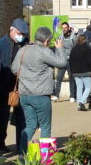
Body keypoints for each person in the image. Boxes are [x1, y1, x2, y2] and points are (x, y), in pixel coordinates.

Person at [11, 26, 67, 155]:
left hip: (24, 94)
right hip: (41, 95)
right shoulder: (44, 51)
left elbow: (14, 69)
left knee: (30, 126)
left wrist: (27, 74)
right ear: (47, 40)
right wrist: (60, 49)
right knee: (45, 127)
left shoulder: (23, 50)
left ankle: (22, 155)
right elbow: (62, 63)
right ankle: (45, 157)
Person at [0, 18, 29, 153]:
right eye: (19, 33)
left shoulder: (25, 44)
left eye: (23, 34)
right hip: (3, 87)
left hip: (21, 87)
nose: (21, 36)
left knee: (21, 116)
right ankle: (0, 143)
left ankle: (21, 144)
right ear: (12, 30)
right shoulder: (0, 44)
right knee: (3, 115)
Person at [68, 34, 91, 111]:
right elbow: (90, 61)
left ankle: (79, 104)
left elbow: (70, 61)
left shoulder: (73, 49)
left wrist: (72, 71)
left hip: (76, 72)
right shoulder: (87, 48)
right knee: (88, 87)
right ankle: (82, 102)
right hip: (86, 71)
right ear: (85, 40)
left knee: (79, 88)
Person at [53, 21, 77, 102]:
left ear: (69, 28)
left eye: (65, 28)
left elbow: (76, 48)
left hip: (71, 60)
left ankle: (72, 96)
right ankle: (56, 95)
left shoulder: (74, 37)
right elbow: (57, 48)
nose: (64, 30)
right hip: (62, 60)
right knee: (59, 77)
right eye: (62, 28)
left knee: (71, 78)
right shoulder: (60, 37)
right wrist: (57, 58)